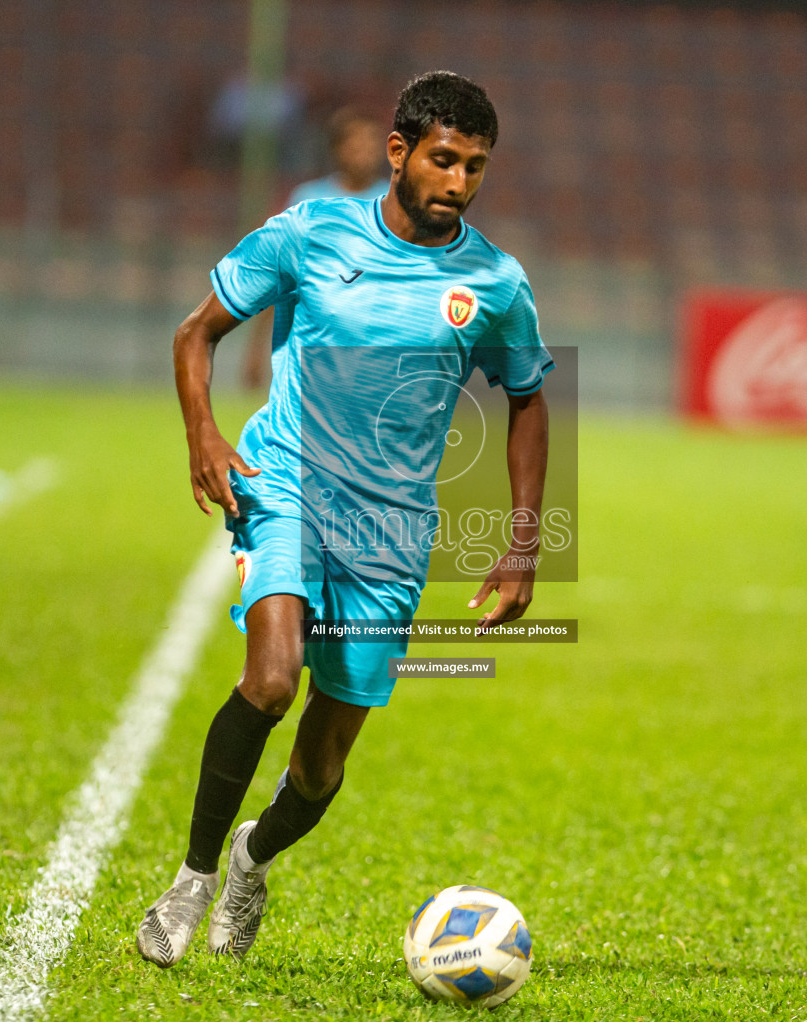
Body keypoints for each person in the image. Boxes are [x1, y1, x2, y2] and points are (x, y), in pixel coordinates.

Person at [137, 71, 552, 966]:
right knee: (274, 678)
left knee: (322, 763)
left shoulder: (495, 282)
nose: (459, 182)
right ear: (400, 153)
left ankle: (252, 857)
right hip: (287, 482)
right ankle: (194, 878)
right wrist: (203, 434)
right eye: (445, 160)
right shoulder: (312, 231)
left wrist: (522, 547)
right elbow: (195, 332)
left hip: (394, 532)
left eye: (476, 167)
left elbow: (528, 399)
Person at [240, 107, 389, 390]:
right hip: (311, 350)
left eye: (371, 144)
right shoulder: (307, 201)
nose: (364, 152)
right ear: (337, 149)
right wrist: (256, 349)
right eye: (356, 144)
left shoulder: (393, 204)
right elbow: (278, 278)